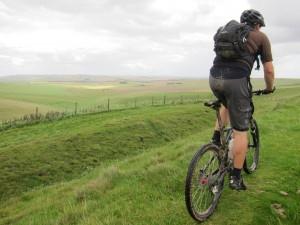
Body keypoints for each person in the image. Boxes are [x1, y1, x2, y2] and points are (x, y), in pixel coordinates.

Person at [209, 9, 275, 190]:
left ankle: (215, 140)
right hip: (236, 82)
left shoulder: (231, 33)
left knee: (226, 103)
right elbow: (268, 71)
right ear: (258, 24)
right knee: (240, 132)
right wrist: (269, 89)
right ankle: (236, 178)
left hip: (214, 78)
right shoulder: (261, 37)